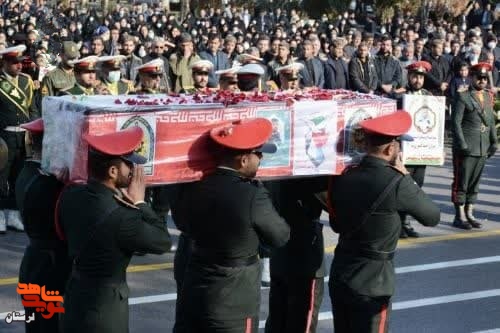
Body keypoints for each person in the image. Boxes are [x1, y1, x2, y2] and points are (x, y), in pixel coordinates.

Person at [328, 111, 440, 333]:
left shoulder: (344, 174)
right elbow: (432, 217)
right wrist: (406, 176)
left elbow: (336, 225)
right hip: (373, 281)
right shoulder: (396, 181)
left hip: (342, 272)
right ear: (390, 149)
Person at [175, 118, 290, 332]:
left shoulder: (195, 186)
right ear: (243, 160)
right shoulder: (252, 195)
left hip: (195, 288)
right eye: (258, 153)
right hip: (233, 301)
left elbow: (182, 223)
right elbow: (280, 235)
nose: (261, 158)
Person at [58, 127, 172, 333]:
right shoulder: (123, 216)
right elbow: (162, 241)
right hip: (104, 311)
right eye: (129, 165)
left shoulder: (70, 195)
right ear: (112, 171)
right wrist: (141, 202)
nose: (133, 171)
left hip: (73, 299)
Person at [15, 118, 70, 333]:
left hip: (33, 261)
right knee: (49, 326)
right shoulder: (49, 182)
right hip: (51, 266)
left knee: (35, 325)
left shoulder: (26, 172)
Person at [264, 176, 328, 333]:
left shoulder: (277, 169)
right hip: (305, 254)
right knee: (301, 321)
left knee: (278, 319)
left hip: (280, 253)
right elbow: (336, 207)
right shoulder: (310, 173)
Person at [451, 62, 498, 229]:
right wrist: (462, 143)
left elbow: (491, 121)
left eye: (485, 78)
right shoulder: (463, 96)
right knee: (461, 182)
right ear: (472, 77)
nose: (482, 81)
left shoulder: (487, 97)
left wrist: (494, 142)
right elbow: (456, 123)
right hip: (466, 146)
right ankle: (459, 215)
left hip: (482, 146)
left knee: (475, 182)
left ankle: (470, 212)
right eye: (479, 77)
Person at [0, 45, 39, 233]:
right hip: (4, 136)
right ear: (5, 63)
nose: (19, 66)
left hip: (23, 136)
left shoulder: (26, 81)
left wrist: (33, 129)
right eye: (14, 62)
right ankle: (0, 214)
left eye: (20, 62)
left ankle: (13, 214)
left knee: (18, 176)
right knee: (1, 176)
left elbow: (32, 109)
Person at [397, 61, 434, 238]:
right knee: (401, 188)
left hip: (422, 152)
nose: (417, 80)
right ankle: (397, 225)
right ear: (409, 77)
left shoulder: (429, 98)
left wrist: (437, 146)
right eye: (414, 76)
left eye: (420, 77)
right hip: (405, 151)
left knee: (415, 187)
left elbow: (435, 125)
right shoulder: (400, 98)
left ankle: (406, 222)